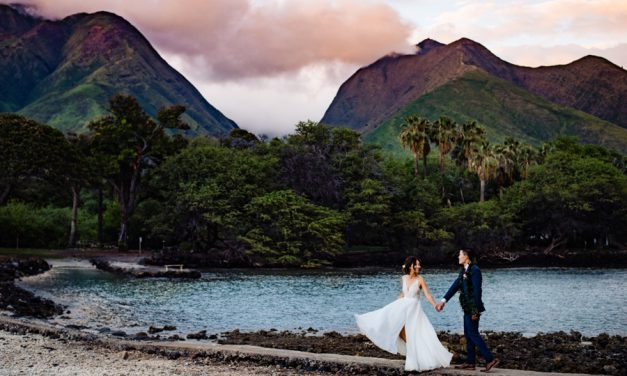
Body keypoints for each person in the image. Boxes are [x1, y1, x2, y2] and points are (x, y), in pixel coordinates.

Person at [355, 256, 453, 372]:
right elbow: (403, 293)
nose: (418, 266)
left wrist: (435, 305)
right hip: (403, 307)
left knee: (415, 333)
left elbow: (427, 295)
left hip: (414, 310)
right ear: (410, 266)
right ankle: (414, 353)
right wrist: (393, 305)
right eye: (416, 264)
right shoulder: (403, 278)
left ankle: (417, 357)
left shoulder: (420, 279)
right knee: (398, 330)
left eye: (419, 264)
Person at [435, 248, 500, 372]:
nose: (458, 257)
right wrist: (443, 301)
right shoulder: (463, 271)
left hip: (473, 308)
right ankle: (470, 362)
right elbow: (455, 286)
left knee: (473, 334)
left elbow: (477, 291)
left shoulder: (475, 270)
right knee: (468, 335)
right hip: (467, 308)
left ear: (466, 256)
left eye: (460, 255)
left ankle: (490, 359)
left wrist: (475, 311)